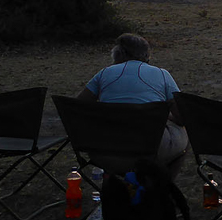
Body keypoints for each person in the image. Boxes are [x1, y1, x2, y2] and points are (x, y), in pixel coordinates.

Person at [77, 33, 188, 175]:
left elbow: (79, 106)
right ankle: (163, 188)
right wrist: (166, 117)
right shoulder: (162, 74)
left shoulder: (104, 74)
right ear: (146, 55)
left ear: (118, 54)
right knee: (183, 136)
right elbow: (182, 117)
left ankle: (113, 185)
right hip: (151, 149)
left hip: (107, 150)